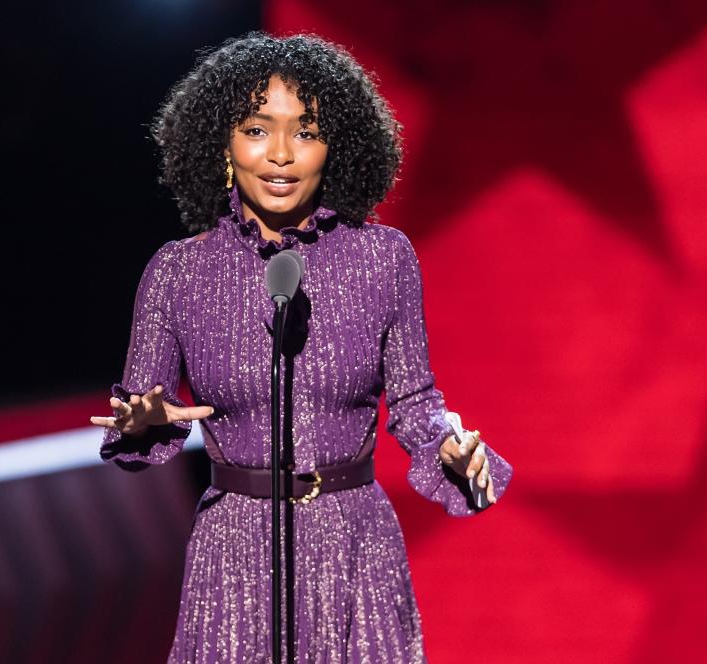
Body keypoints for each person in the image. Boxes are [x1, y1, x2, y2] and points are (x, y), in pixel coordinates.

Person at [90, 31, 512, 663]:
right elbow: (136, 412)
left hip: (354, 549)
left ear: (334, 147)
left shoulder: (383, 260)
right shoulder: (177, 273)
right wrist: (141, 420)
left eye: (306, 131)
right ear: (223, 145)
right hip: (235, 556)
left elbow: (417, 402)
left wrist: (450, 448)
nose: (281, 154)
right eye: (258, 130)